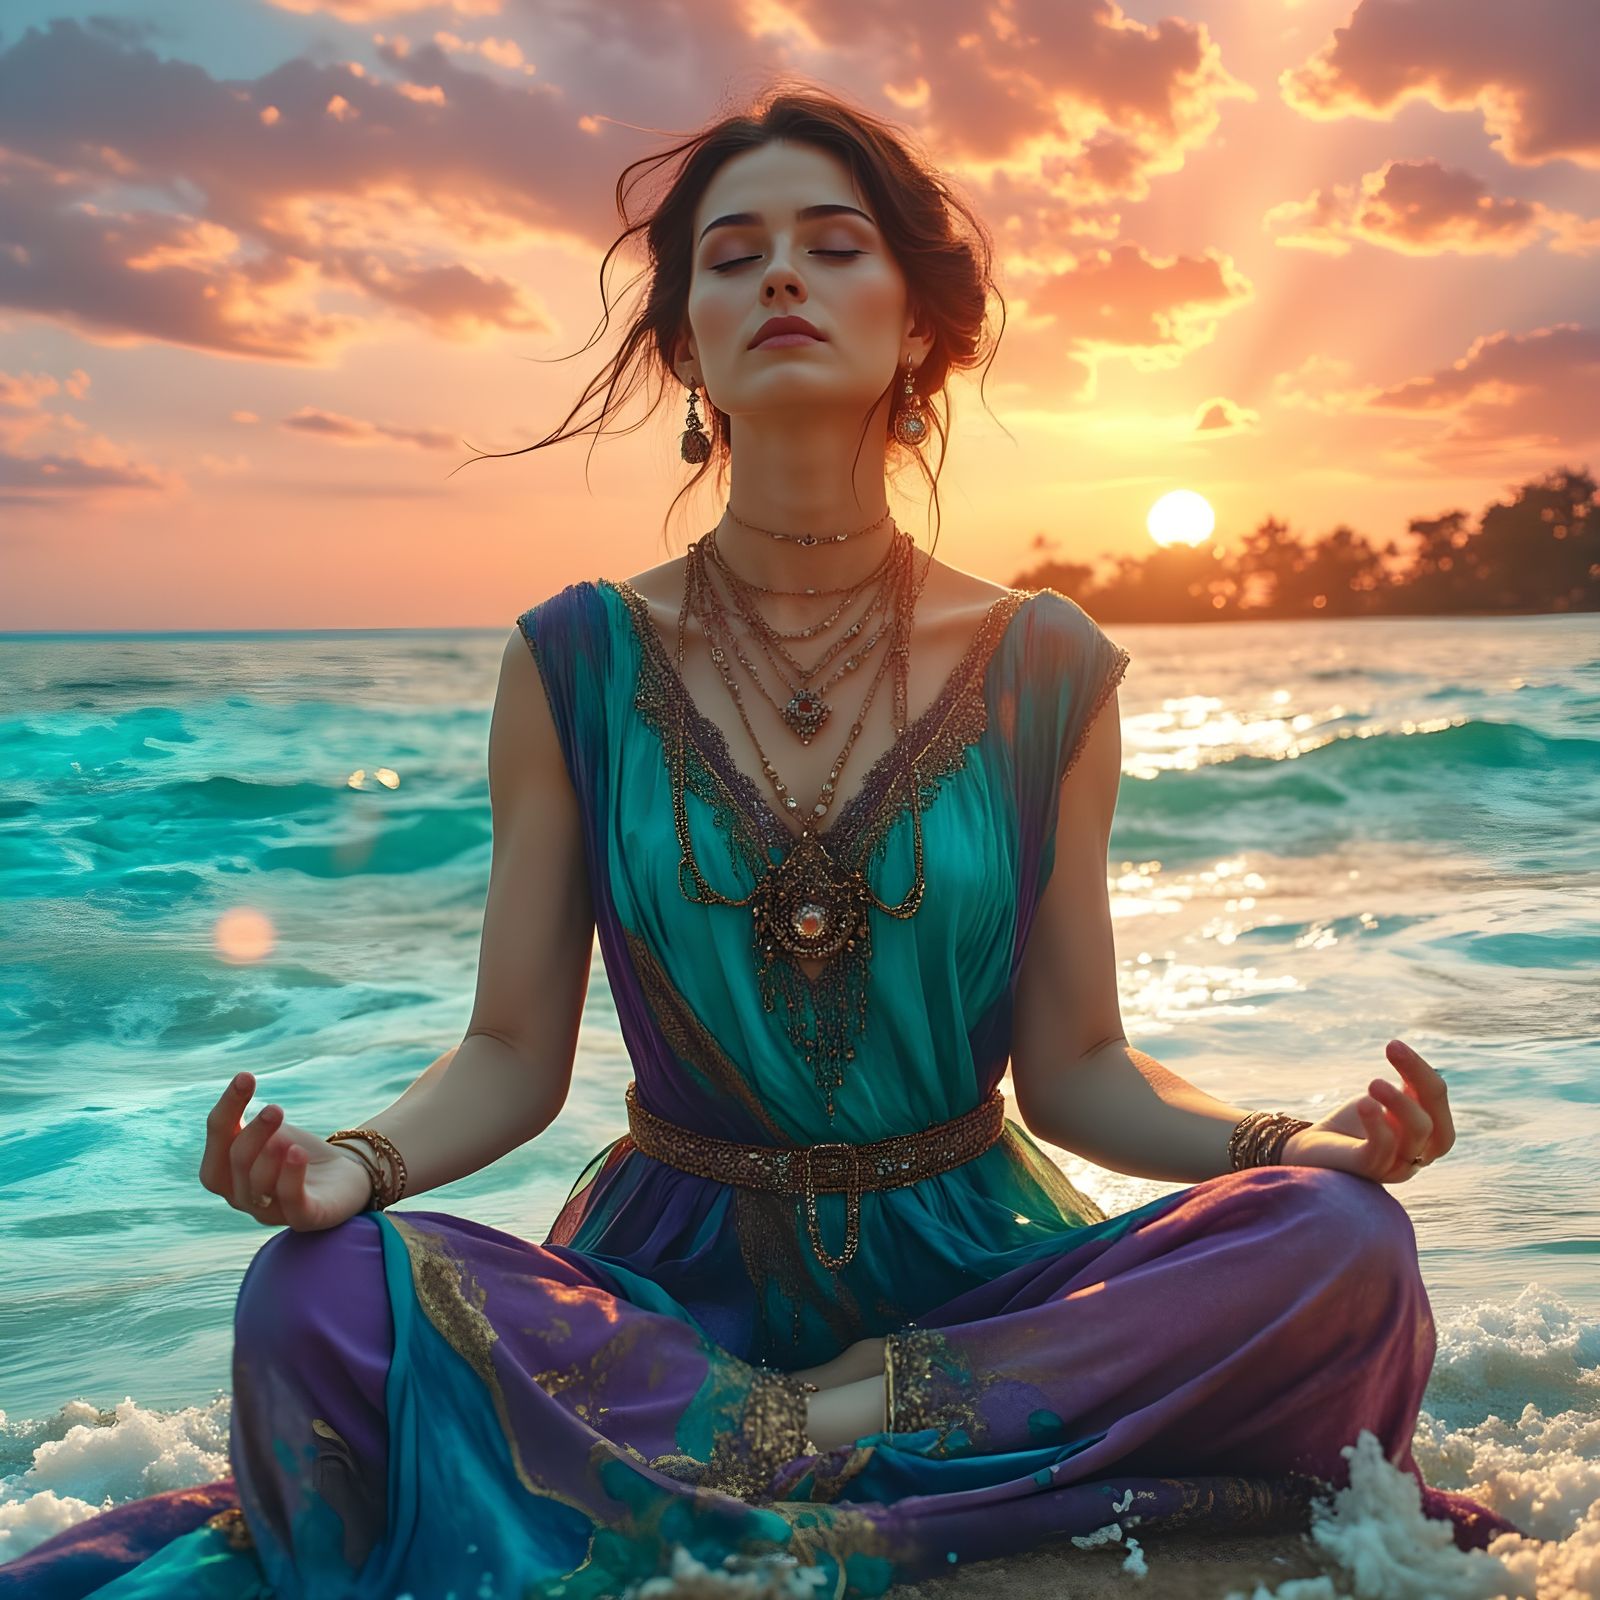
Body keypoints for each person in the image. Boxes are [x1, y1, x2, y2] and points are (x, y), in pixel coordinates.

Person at [2, 86, 1522, 1600]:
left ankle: (819, 1426)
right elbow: (514, 1054)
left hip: (975, 1273)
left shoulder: (1046, 665)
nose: (781, 275)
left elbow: (1080, 1071)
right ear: (687, 345)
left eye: (833, 245)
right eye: (733, 258)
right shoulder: (574, 660)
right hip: (666, 1290)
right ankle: (807, 1434)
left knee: (1342, 1242)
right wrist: (351, 1165)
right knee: (311, 1292)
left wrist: (1290, 1145)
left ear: (919, 326)